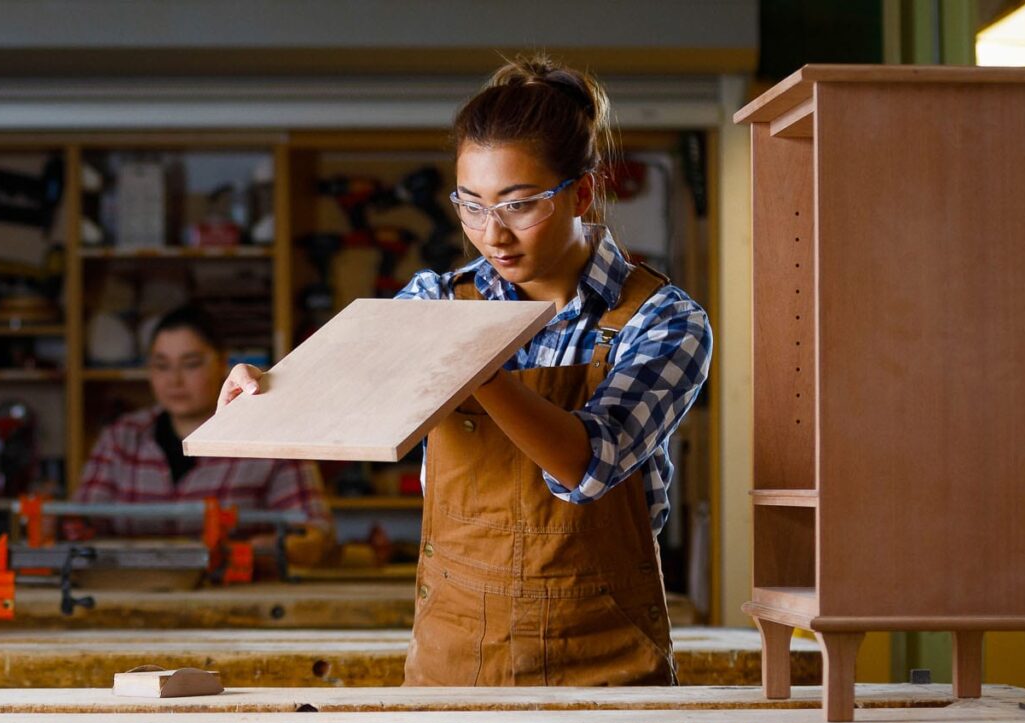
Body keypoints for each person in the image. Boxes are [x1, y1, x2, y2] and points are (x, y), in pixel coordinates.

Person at [219, 55, 712, 686]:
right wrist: (271, 384)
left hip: (603, 656)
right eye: (471, 206)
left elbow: (589, 467)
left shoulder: (663, 320)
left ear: (582, 192)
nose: (492, 235)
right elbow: (355, 386)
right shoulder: (436, 300)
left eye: (518, 204)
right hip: (455, 646)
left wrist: (470, 363)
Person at [74, 305, 332, 565]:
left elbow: (317, 532)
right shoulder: (121, 438)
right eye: (162, 366)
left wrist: (279, 549)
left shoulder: (267, 440)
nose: (174, 380)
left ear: (222, 363)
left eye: (191, 364)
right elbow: (77, 525)